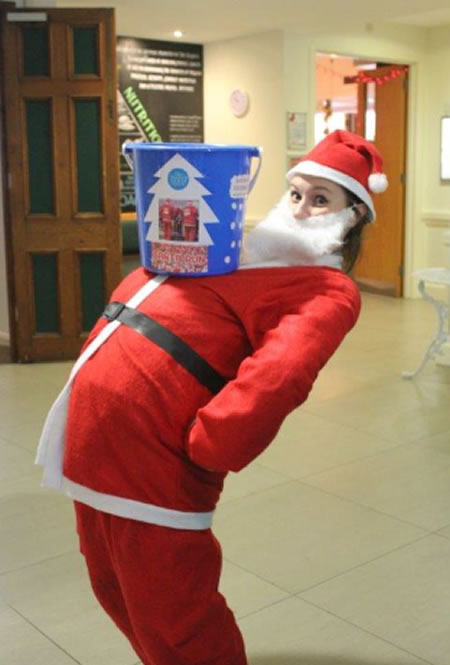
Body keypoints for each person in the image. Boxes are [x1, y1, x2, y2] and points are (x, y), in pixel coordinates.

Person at [36, 130, 387, 665]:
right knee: (114, 588)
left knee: (175, 616)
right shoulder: (238, 250)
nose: (300, 208)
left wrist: (212, 443)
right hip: (97, 441)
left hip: (155, 461)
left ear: (353, 215)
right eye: (296, 193)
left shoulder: (325, 288)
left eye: (321, 200)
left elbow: (281, 373)